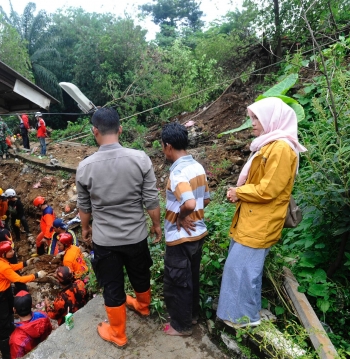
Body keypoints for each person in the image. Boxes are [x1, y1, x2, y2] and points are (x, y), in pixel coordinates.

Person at [217, 97, 307, 328]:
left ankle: (242, 319)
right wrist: (239, 193)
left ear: (272, 118)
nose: (253, 123)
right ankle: (247, 313)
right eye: (251, 118)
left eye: (256, 118)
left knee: (242, 270)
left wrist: (239, 192)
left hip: (261, 220)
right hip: (252, 217)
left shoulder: (281, 148)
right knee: (244, 269)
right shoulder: (268, 144)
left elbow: (269, 189)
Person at [76, 107, 161, 347]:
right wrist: (156, 225)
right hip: (136, 235)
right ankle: (143, 307)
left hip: (106, 241)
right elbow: (151, 199)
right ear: (120, 129)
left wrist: (85, 229)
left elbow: (84, 207)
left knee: (112, 284)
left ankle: (118, 334)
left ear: (95, 132)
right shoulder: (140, 158)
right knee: (140, 273)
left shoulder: (85, 167)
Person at [159, 122, 211, 336]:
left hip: (181, 238)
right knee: (191, 277)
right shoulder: (197, 167)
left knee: (178, 280)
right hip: (198, 234)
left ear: (168, 146)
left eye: (163, 146)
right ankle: (192, 315)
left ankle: (181, 326)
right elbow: (205, 200)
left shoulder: (178, 173)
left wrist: (181, 216)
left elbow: (189, 203)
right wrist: (192, 214)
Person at [0, 242, 40, 359]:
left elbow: (11, 267)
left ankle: (12, 331)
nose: (13, 252)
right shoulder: (2, 266)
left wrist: (25, 263)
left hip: (5, 291)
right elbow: (19, 279)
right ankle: (5, 350)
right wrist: (36, 275)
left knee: (10, 313)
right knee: (3, 321)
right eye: (10, 251)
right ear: (3, 254)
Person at [9, 291, 52, 359]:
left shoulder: (15, 339)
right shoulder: (43, 315)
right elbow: (49, 331)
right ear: (32, 305)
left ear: (14, 310)